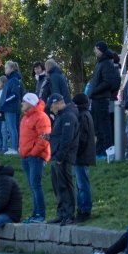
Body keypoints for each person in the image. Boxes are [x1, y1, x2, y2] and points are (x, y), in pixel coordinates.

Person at [19, 93, 51, 223]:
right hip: (26, 156)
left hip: (35, 156)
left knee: (36, 185)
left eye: (24, 101)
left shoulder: (41, 117)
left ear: (31, 103)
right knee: (32, 185)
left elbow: (44, 138)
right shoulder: (25, 117)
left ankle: (41, 214)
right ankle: (35, 213)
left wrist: (33, 152)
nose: (21, 104)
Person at [47, 93, 79, 225]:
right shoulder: (61, 116)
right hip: (57, 156)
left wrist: (60, 157)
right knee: (58, 187)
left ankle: (69, 214)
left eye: (52, 105)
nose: (51, 109)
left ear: (59, 103)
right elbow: (60, 136)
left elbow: (67, 139)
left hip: (63, 158)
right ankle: (61, 213)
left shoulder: (68, 116)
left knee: (65, 185)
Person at [87, 42, 121, 155]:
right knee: (98, 125)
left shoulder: (106, 63)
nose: (95, 51)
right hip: (96, 98)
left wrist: (94, 91)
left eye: (96, 49)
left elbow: (108, 82)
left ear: (101, 50)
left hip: (101, 98)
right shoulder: (101, 63)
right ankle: (100, 149)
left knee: (103, 125)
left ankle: (107, 149)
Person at [71, 93, 95, 223]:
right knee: (80, 184)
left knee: (82, 184)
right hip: (82, 155)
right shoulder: (85, 115)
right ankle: (81, 209)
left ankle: (85, 210)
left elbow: (82, 138)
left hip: (81, 156)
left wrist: (75, 151)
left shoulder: (83, 116)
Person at [0, 60, 22, 154]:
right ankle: (14, 147)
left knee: (12, 128)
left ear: (12, 68)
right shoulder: (10, 79)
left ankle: (14, 148)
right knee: (12, 128)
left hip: (11, 108)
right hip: (9, 107)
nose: (5, 69)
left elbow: (15, 94)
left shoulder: (14, 80)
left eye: (6, 67)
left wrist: (4, 102)